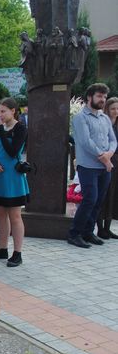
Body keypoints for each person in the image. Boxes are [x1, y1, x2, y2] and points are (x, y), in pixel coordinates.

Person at [68, 83, 117, 248]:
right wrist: (104, 158)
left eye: (104, 97)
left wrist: (109, 154)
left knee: (99, 201)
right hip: (88, 166)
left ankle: (88, 232)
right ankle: (74, 234)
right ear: (89, 97)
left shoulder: (104, 118)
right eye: (99, 96)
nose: (102, 100)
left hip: (104, 167)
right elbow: (85, 142)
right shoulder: (80, 118)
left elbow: (113, 140)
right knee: (89, 199)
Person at [0, 97, 29, 266]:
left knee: (15, 216)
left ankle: (17, 252)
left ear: (13, 111)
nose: (0, 115)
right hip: (0, 177)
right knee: (0, 214)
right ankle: (2, 249)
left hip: (14, 177)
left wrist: (3, 132)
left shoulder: (20, 128)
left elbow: (13, 151)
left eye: (3, 111)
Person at [97, 97, 118, 239]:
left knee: (112, 195)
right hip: (104, 161)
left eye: (117, 109)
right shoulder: (103, 123)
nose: (116, 111)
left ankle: (107, 228)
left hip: (116, 162)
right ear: (107, 109)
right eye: (113, 108)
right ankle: (99, 228)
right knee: (102, 195)